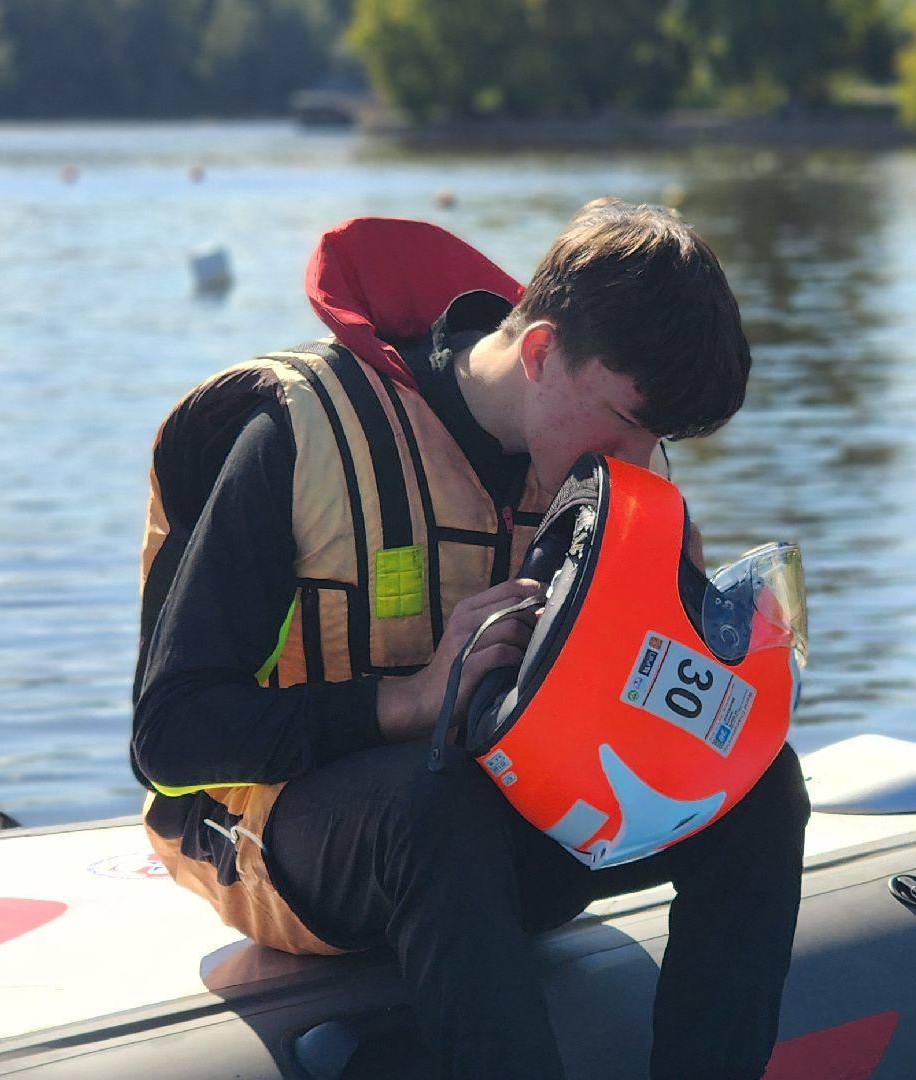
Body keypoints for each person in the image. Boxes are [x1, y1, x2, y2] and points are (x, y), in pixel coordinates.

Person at [130, 200, 811, 1079]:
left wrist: (707, 660)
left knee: (761, 784)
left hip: (499, 829)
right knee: (432, 800)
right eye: (628, 423)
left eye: (661, 439)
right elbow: (168, 739)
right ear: (538, 354)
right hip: (280, 846)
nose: (640, 464)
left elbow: (635, 721)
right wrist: (412, 700)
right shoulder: (294, 435)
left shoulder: (611, 470)